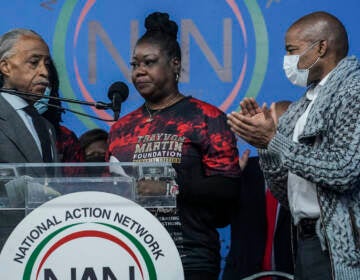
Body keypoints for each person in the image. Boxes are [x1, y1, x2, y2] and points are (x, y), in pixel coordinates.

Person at [107, 12, 241, 280]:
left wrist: (169, 187)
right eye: (134, 65)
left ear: (175, 64)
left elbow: (228, 191)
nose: (139, 71)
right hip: (131, 253)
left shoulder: (207, 117)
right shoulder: (120, 128)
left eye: (149, 62)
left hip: (189, 255)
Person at [227, 11, 360, 280]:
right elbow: (284, 194)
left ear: (321, 47)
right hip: (305, 242)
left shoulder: (353, 91)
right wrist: (263, 145)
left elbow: (345, 170)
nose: (287, 61)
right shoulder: (302, 107)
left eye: (292, 50)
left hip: (342, 247)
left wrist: (274, 142)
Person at [0, 28, 59, 248]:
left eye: (47, 64)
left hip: (44, 246)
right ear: (5, 66)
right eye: (34, 62)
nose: (44, 72)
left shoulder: (46, 127)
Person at [223, 101, 294, 280]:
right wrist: (230, 180)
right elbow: (219, 217)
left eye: (269, 115)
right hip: (244, 274)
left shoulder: (309, 173)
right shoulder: (247, 169)